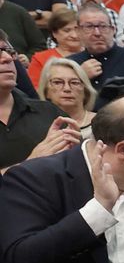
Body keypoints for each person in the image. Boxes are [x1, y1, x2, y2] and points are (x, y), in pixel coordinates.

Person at [0, 37, 71, 169]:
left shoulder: (49, 113)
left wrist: (79, 154)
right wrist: (30, 164)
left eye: (9, 51)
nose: (7, 58)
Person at [70, 2, 124, 107]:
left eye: (103, 26)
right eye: (89, 26)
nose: (97, 33)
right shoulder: (70, 65)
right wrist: (79, 77)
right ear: (78, 31)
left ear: (113, 30)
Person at [26, 8, 82, 86]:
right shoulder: (40, 59)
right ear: (54, 33)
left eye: (78, 29)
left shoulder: (93, 55)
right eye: (67, 30)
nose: (74, 35)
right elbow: (35, 92)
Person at [37, 57, 96, 126]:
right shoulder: (34, 125)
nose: (67, 89)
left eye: (74, 83)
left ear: (85, 91)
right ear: (46, 91)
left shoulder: (103, 123)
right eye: (58, 82)